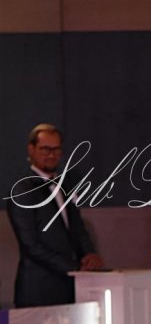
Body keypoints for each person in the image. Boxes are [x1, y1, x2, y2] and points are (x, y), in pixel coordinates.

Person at [6, 124, 104, 306]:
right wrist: (73, 267)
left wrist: (90, 253)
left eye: (56, 149)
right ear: (31, 149)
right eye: (45, 149)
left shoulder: (65, 187)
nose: (51, 155)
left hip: (71, 288)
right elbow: (30, 244)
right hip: (38, 289)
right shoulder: (22, 190)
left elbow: (77, 228)